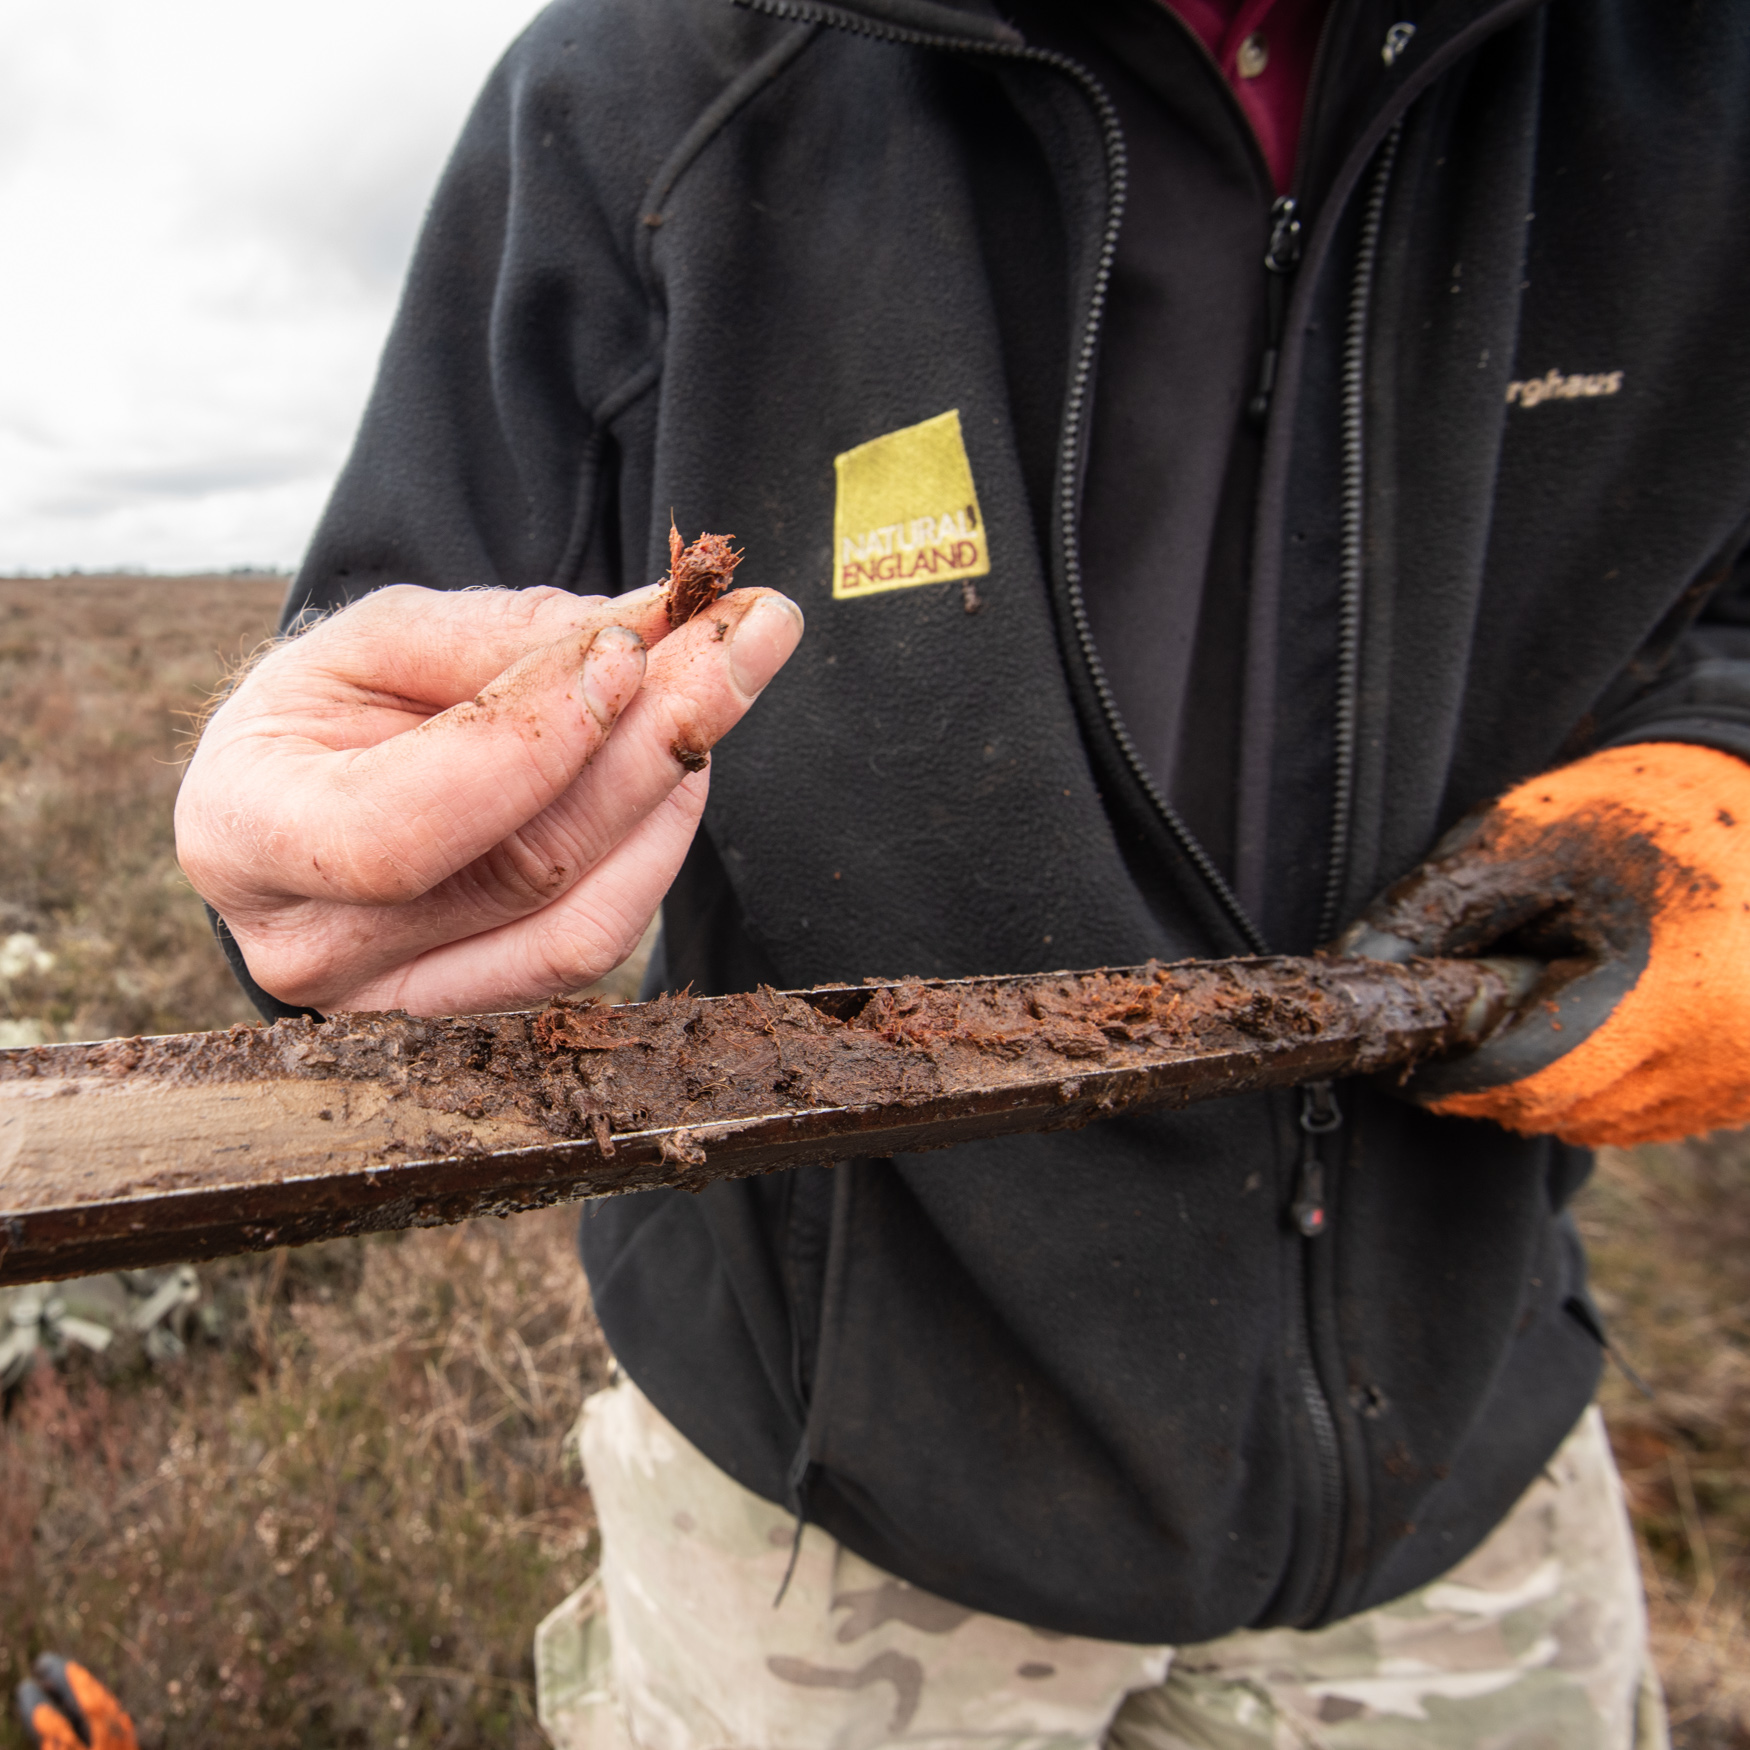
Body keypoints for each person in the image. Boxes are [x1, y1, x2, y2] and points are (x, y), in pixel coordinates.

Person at [176, 0, 1750, 1744]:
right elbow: (377, 685)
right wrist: (322, 877)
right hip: (830, 1517)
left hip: (1458, 1460)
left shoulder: (1699, 84)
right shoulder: (654, 87)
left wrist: (1725, 759)